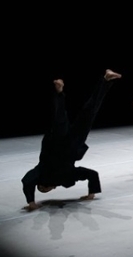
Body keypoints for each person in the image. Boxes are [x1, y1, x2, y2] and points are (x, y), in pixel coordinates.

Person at [21, 69, 122, 211]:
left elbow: (28, 181)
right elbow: (91, 174)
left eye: (42, 189)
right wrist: (91, 194)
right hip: (71, 145)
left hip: (59, 144)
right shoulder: (63, 177)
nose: (45, 190)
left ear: (43, 185)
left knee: (70, 115)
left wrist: (31, 202)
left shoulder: (44, 175)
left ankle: (62, 92)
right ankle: (104, 80)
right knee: (85, 113)